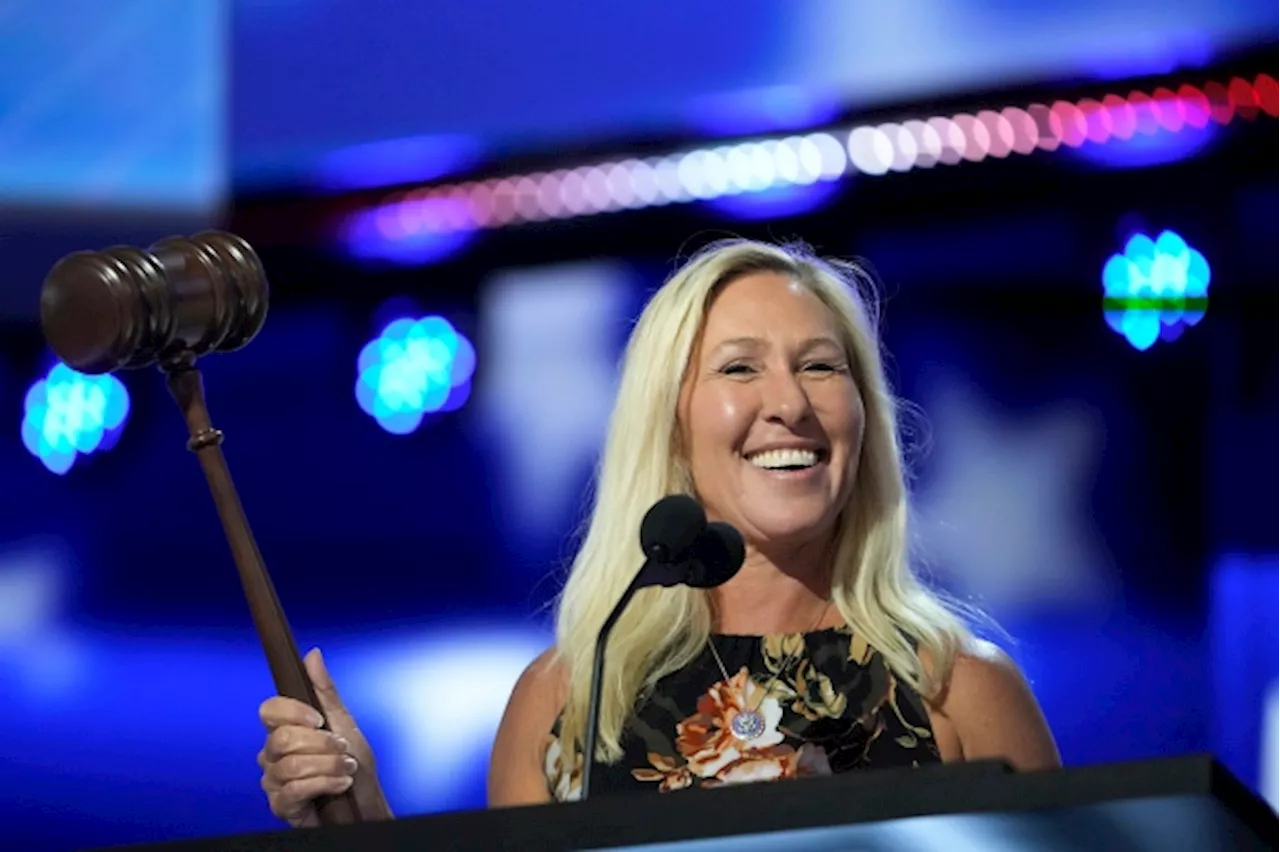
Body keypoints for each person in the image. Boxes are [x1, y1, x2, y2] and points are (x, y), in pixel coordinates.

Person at [255, 239, 1060, 824]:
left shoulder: (961, 692)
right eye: (740, 368)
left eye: (821, 365)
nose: (791, 403)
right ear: (669, 425)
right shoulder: (568, 699)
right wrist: (362, 821)